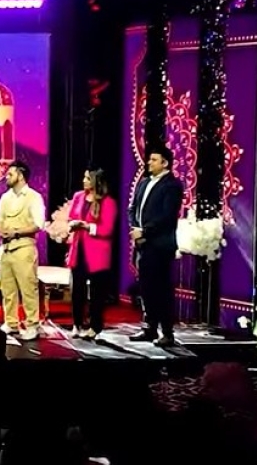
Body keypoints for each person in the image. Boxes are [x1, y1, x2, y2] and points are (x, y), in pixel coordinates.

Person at [129, 145, 183, 347]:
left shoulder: (172, 185)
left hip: (160, 245)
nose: (149, 163)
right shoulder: (144, 182)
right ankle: (150, 328)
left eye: (153, 160)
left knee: (161, 289)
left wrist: (145, 231)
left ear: (165, 163)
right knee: (146, 287)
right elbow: (133, 209)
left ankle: (167, 332)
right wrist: (135, 228)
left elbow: (167, 216)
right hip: (143, 244)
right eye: (149, 159)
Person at [0, 161, 45, 342]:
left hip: (24, 247)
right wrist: (2, 231)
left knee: (28, 288)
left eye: (10, 174)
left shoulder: (34, 197)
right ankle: (11, 322)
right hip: (6, 248)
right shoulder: (5, 197)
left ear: (21, 176)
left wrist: (15, 232)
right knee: (7, 289)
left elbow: (38, 224)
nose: (6, 177)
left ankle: (32, 324)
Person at [66, 168, 118, 339]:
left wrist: (87, 226)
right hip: (79, 250)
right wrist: (73, 224)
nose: (84, 180)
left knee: (97, 293)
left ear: (96, 180)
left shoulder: (108, 202)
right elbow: (71, 217)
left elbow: (107, 229)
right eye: (84, 177)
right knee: (77, 290)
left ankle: (95, 326)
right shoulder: (78, 196)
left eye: (87, 178)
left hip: (97, 254)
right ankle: (77, 324)